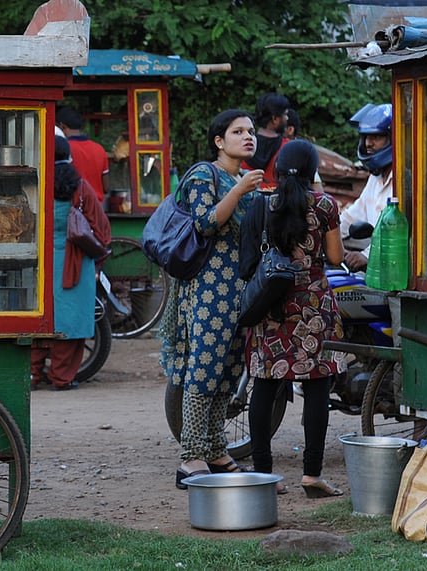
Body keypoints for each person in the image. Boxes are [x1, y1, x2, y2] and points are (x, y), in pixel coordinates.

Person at [161, 109, 265, 489]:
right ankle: (191, 457)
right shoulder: (205, 174)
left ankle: (218, 450)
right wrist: (239, 191)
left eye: (251, 131)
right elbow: (204, 223)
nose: (248, 137)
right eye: (238, 131)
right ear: (219, 141)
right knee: (203, 369)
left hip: (237, 290)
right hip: (207, 288)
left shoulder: (242, 179)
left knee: (228, 371)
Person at [240, 139, 347, 498]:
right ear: (311, 170)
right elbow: (335, 257)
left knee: (265, 385)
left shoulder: (261, 205)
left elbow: (248, 262)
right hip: (312, 307)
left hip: (272, 305)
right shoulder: (325, 205)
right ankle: (311, 475)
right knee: (317, 387)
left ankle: (263, 475)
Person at [30, 134, 110, 391]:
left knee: (35, 318)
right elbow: (101, 229)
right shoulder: (81, 186)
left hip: (37, 262)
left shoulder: (34, 184)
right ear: (69, 156)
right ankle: (61, 377)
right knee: (71, 320)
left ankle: (31, 374)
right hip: (76, 262)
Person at [338, 103, 394, 270]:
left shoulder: (406, 180)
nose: (368, 143)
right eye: (366, 137)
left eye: (376, 137)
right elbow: (349, 218)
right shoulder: (374, 179)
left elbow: (397, 233)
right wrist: (325, 236)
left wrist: (366, 255)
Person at [56, 106, 110, 204]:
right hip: (97, 209)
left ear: (62, 127)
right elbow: (106, 187)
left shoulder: (63, 149)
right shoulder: (99, 149)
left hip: (73, 208)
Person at [243, 93, 291, 188]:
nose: (287, 118)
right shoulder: (289, 148)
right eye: (285, 114)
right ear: (275, 119)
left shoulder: (243, 145)